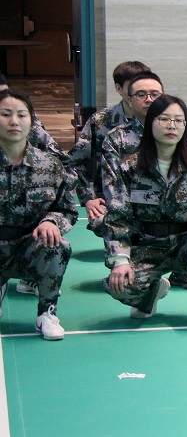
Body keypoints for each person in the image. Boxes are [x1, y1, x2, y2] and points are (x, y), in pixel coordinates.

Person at [102, 95, 187, 329]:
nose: (172, 126)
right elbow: (117, 217)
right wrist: (120, 260)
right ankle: (151, 291)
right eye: (164, 119)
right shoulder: (129, 167)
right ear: (150, 122)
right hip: (147, 245)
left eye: (178, 120)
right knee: (120, 287)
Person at [0, 89, 76, 340]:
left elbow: (67, 209)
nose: (14, 121)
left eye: (21, 115)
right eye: (5, 114)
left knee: (58, 245)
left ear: (31, 121)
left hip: (28, 245)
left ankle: (47, 313)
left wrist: (51, 221)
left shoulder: (49, 165)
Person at [65, 60, 150, 236]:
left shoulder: (163, 119)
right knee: (105, 222)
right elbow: (74, 162)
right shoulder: (101, 122)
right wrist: (88, 198)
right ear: (119, 88)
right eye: (134, 87)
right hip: (111, 199)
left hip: (152, 199)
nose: (141, 93)